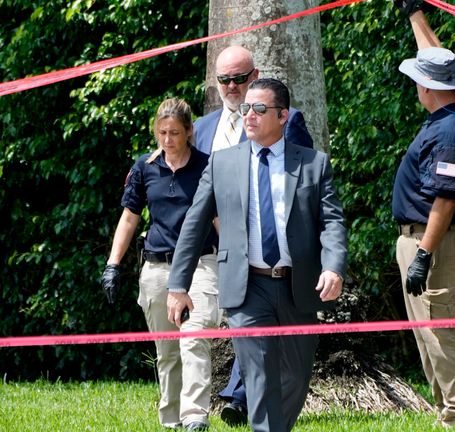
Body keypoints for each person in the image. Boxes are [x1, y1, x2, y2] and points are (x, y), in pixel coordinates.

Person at [166, 78, 347, 432]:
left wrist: (334, 267)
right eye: (246, 107)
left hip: (299, 285)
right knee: (259, 373)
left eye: (259, 109)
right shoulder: (222, 163)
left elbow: (332, 222)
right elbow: (194, 224)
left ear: (283, 116)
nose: (248, 115)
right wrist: (178, 285)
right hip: (247, 287)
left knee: (296, 375)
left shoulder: (313, 163)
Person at [193, 44, 314, 427]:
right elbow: (200, 197)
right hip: (215, 252)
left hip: (271, 259)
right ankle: (235, 398)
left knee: (287, 370)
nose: (232, 86)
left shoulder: (288, 121)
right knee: (233, 342)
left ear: (254, 74)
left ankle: (242, 398)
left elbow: (303, 187)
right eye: (224, 80)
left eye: (240, 78)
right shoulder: (202, 128)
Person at [391, 1, 455, 426]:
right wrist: (415, 13)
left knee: (443, 329)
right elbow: (437, 56)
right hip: (427, 239)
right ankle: (444, 407)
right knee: (428, 330)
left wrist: (425, 254)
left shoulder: (451, 132)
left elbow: (445, 199)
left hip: (436, 240)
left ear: (426, 88)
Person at [100, 98, 219, 431]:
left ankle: (195, 416)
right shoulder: (144, 167)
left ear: (189, 132)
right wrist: (113, 264)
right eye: (162, 132)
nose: (168, 140)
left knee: (194, 335)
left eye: (175, 133)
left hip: (201, 263)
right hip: (156, 266)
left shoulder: (207, 166)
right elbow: (129, 219)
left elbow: (220, 219)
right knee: (167, 352)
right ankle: (171, 421)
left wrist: (239, 261)